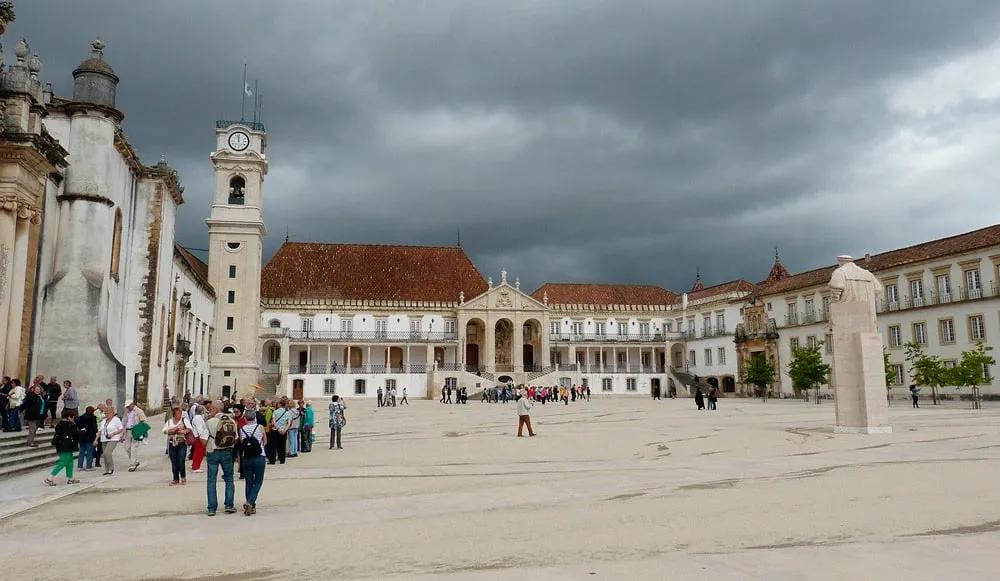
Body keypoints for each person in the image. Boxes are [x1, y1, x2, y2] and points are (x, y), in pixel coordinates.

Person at [204, 402, 238, 516]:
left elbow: (203, 440)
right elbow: (236, 438)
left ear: (214, 409)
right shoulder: (232, 421)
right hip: (227, 451)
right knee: (229, 478)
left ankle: (212, 508)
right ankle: (229, 505)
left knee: (211, 480)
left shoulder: (209, 422)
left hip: (213, 451)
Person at [239, 412, 267, 515]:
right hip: (260, 456)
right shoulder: (260, 427)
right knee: (258, 481)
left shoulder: (242, 429)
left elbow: (242, 442)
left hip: (247, 457)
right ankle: (250, 502)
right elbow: (265, 441)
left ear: (245, 418)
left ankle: (251, 506)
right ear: (255, 418)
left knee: (249, 482)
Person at [45, 409, 81, 486]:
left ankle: (70, 477)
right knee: (63, 462)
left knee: (70, 461)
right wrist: (82, 431)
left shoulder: (60, 424)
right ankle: (50, 478)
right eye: (73, 417)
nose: (73, 419)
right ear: (69, 417)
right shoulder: (67, 425)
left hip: (63, 445)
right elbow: (74, 433)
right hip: (65, 446)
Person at [162, 406, 192, 486]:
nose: (179, 415)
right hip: (172, 443)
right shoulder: (169, 422)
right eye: (178, 414)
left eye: (180, 413)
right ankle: (175, 478)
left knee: (181, 461)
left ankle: (183, 476)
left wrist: (183, 431)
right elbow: (164, 430)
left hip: (182, 443)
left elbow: (189, 428)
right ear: (174, 415)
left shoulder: (184, 420)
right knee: (174, 462)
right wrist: (172, 430)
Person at [98, 406, 124, 475]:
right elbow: (100, 431)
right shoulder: (103, 421)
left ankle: (111, 468)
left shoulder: (116, 419)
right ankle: (107, 469)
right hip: (104, 439)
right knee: (104, 455)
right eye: (105, 413)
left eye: (107, 413)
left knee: (107, 452)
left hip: (113, 438)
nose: (106, 415)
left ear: (112, 413)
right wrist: (95, 439)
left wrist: (113, 433)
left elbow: (121, 429)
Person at [123, 400, 148, 471]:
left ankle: (133, 464)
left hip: (135, 430)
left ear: (132, 404)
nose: (128, 407)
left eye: (128, 406)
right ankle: (135, 461)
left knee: (134, 447)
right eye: (127, 406)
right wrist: (123, 430)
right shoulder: (126, 411)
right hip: (128, 430)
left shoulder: (139, 411)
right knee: (127, 448)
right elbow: (124, 421)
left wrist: (140, 430)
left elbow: (144, 420)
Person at [267, 398, 291, 464]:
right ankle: (282, 459)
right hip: (283, 431)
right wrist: (284, 430)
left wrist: (278, 429)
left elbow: (274, 422)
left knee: (273, 446)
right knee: (282, 445)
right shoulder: (287, 413)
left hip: (275, 430)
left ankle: (272, 460)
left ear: (280, 404)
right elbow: (288, 423)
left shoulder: (275, 412)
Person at [75, 406, 98, 470]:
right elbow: (95, 428)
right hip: (90, 437)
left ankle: (79, 466)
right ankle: (89, 466)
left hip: (81, 436)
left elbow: (76, 423)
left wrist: (81, 428)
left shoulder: (80, 417)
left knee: (81, 452)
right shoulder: (92, 418)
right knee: (89, 452)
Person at [190, 405, 209, 472]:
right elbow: (200, 429)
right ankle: (196, 467)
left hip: (197, 437)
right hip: (199, 437)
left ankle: (194, 465)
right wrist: (202, 438)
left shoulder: (197, 417)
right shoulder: (198, 418)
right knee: (199, 452)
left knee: (197, 452)